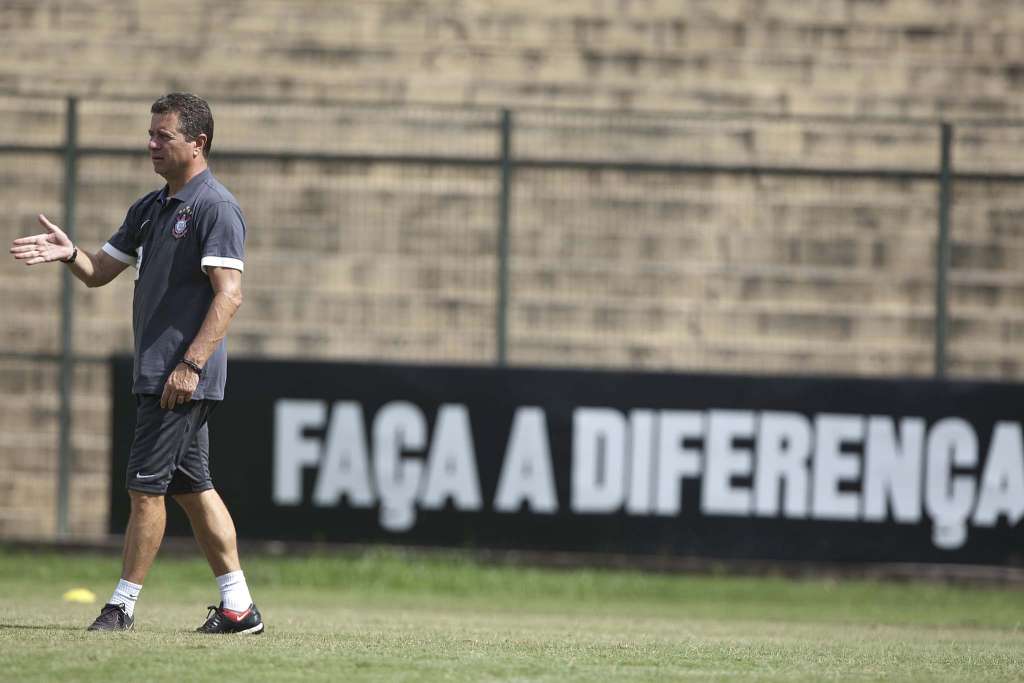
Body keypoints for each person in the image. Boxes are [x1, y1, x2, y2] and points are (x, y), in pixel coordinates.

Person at [10, 93, 263, 634]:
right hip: (162, 372)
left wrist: (190, 365)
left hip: (180, 377)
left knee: (145, 488)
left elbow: (230, 295)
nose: (151, 144)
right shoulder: (151, 208)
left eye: (163, 135)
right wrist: (68, 253)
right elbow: (101, 270)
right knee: (195, 489)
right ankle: (239, 608)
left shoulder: (215, 207)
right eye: (150, 134)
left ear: (198, 143)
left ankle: (121, 606)